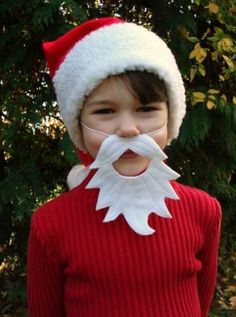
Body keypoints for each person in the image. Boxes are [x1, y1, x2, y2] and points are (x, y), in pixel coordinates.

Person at [27, 17, 222, 317]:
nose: (129, 129)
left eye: (146, 109)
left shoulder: (204, 211)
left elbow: (200, 301)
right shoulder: (50, 225)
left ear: (171, 118)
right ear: (78, 125)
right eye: (105, 111)